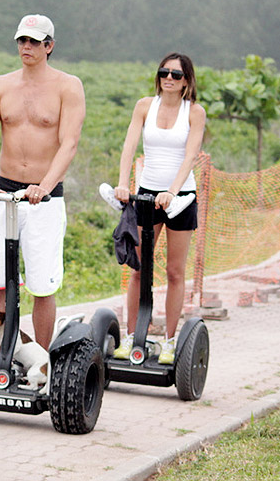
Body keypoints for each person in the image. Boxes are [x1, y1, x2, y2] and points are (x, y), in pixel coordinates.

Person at [0, 14, 86, 383]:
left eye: (35, 42)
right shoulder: (1, 86)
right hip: (4, 194)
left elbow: (69, 144)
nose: (27, 48)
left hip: (44, 198)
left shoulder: (68, 87)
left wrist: (46, 185)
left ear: (49, 46)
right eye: (22, 41)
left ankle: (42, 364)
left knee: (41, 284)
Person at [112, 52, 206, 364]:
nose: (168, 78)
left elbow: (191, 155)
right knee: (138, 268)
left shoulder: (194, 112)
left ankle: (169, 340)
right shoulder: (144, 106)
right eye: (164, 72)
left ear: (186, 81)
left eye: (176, 75)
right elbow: (129, 146)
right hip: (146, 194)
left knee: (175, 271)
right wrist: (124, 183)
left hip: (180, 197)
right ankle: (130, 336)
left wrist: (172, 191)